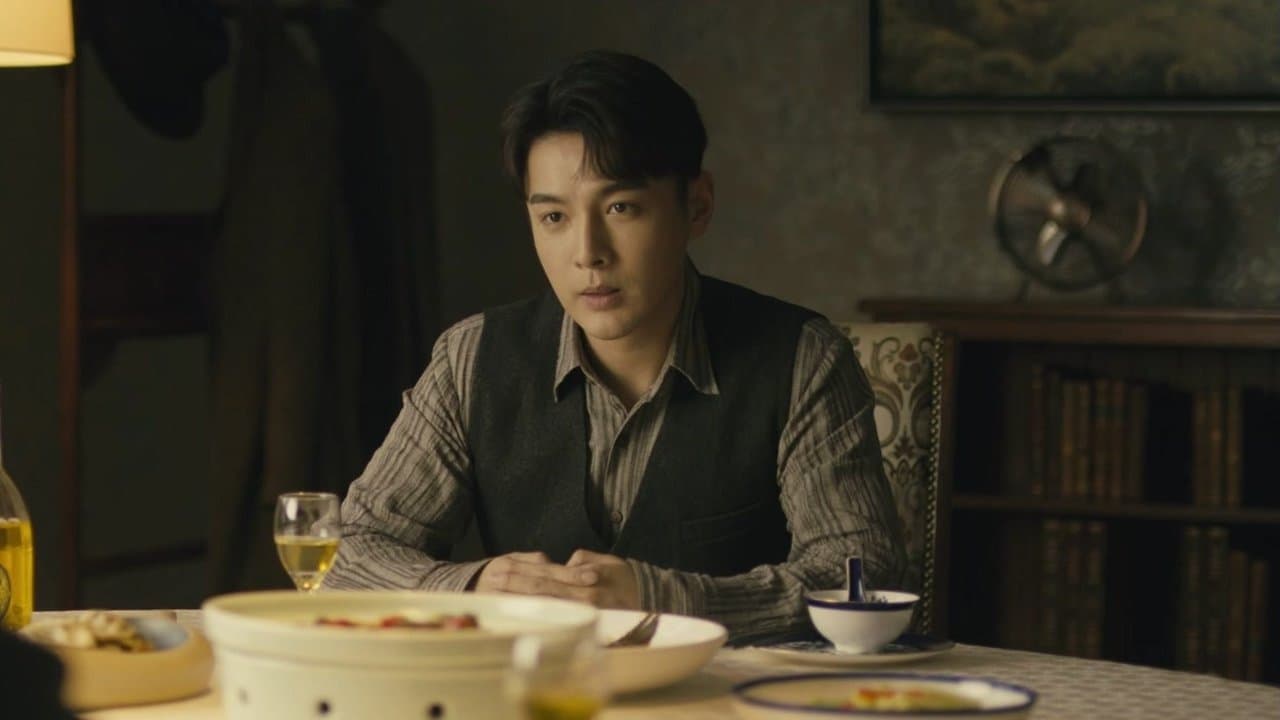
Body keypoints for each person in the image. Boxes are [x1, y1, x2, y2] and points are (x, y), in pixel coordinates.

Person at [325, 49, 905, 641]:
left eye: (621, 208)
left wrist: (661, 599)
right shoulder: (471, 359)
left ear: (697, 206)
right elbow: (348, 553)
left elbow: (861, 574)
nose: (588, 253)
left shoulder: (801, 359)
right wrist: (474, 591)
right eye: (554, 218)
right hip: (536, 686)